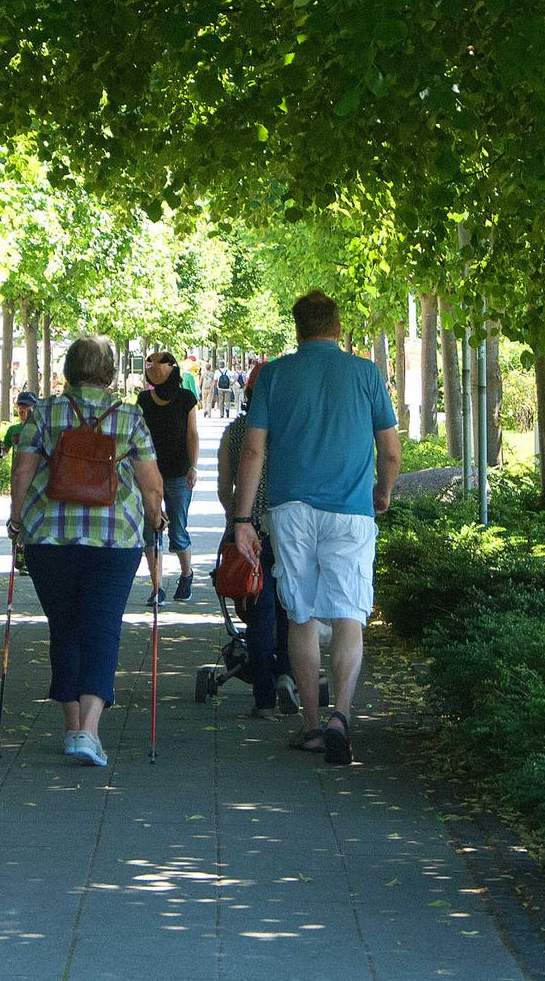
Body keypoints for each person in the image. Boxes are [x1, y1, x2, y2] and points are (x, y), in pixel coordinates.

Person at [230, 291, 401, 765]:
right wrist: (382, 491)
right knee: (349, 613)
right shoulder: (366, 373)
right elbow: (389, 449)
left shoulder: (277, 375)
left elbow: (252, 450)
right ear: (339, 327)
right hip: (350, 509)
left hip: (289, 510)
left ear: (297, 329)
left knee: (301, 614)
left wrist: (242, 518)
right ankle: (341, 716)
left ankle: (310, 724)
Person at [8, 335, 165, 768]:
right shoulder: (130, 416)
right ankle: (89, 732)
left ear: (69, 368)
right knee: (102, 628)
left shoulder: (44, 412)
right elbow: (151, 482)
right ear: (109, 372)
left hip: (50, 538)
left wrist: (17, 519)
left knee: (65, 627)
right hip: (115, 540)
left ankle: (71, 725)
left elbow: (23, 470)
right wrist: (157, 519)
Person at [217, 407, 288, 714]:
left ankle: (263, 697)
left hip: (248, 532)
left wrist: (234, 518)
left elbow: (224, 487)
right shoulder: (290, 429)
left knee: (259, 613)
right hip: (288, 529)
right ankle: (287, 673)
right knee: (290, 610)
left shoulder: (234, 432)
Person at [137, 351, 200, 603]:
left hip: (178, 472)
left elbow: (192, 434)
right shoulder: (143, 399)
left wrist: (193, 467)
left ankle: (186, 574)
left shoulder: (186, 398)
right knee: (150, 529)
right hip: (149, 472)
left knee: (178, 529)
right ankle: (157, 586)